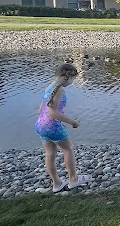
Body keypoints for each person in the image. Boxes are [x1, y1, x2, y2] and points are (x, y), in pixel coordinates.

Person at [35, 63, 92, 193]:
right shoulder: (59, 90)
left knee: (50, 153)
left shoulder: (49, 87)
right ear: (68, 77)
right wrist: (72, 122)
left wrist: (57, 122)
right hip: (52, 126)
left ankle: (57, 184)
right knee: (68, 149)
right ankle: (73, 180)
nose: (72, 82)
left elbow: (40, 110)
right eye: (73, 79)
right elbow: (53, 113)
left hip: (41, 125)